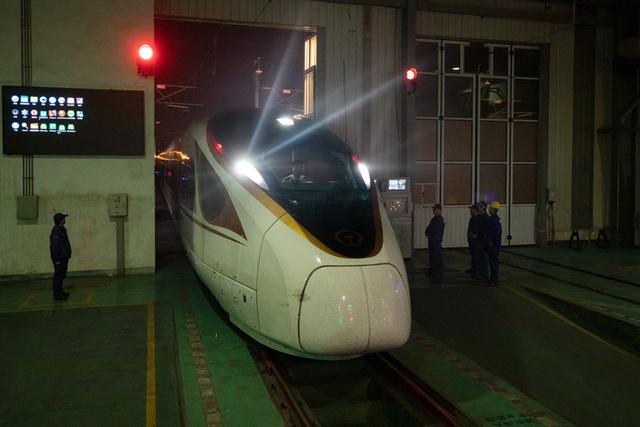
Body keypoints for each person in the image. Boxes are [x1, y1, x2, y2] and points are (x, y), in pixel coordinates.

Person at [50, 212, 72, 300]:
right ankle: (56, 294)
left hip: (63, 256)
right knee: (58, 276)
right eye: (63, 218)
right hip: (59, 258)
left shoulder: (62, 229)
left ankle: (60, 291)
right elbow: (54, 246)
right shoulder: (57, 230)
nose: (64, 219)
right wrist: (57, 259)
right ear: (60, 220)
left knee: (61, 275)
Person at [425, 203, 445, 282]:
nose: (434, 211)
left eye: (435, 209)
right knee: (432, 257)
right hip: (432, 241)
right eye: (434, 209)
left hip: (436, 241)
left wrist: (430, 234)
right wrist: (427, 233)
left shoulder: (439, 220)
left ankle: (437, 273)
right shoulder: (434, 219)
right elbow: (429, 228)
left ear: (439, 210)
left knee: (436, 257)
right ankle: (433, 270)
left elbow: (435, 230)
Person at [486, 201, 502, 286]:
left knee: (494, 263)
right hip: (491, 245)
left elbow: (497, 233)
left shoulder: (495, 220)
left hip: (494, 246)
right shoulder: (492, 219)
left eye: (490, 208)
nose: (489, 209)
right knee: (491, 263)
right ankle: (492, 279)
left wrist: (492, 241)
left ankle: (494, 281)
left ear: (493, 209)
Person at [465, 204, 478, 274]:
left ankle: (476, 269)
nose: (470, 211)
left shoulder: (477, 219)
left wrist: (473, 235)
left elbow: (478, 229)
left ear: (475, 210)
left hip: (475, 240)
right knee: (472, 255)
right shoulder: (472, 218)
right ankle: (473, 268)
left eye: (472, 209)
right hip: (471, 240)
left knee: (476, 255)